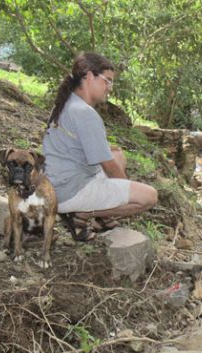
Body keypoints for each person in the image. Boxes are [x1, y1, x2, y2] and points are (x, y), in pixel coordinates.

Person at [42, 52, 158, 241]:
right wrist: (126, 189)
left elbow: (105, 156)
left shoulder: (67, 103)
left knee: (118, 154)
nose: (110, 88)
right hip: (68, 192)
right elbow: (109, 167)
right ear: (89, 76)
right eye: (107, 81)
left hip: (57, 183)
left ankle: (100, 219)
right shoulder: (84, 113)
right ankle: (82, 214)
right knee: (149, 197)